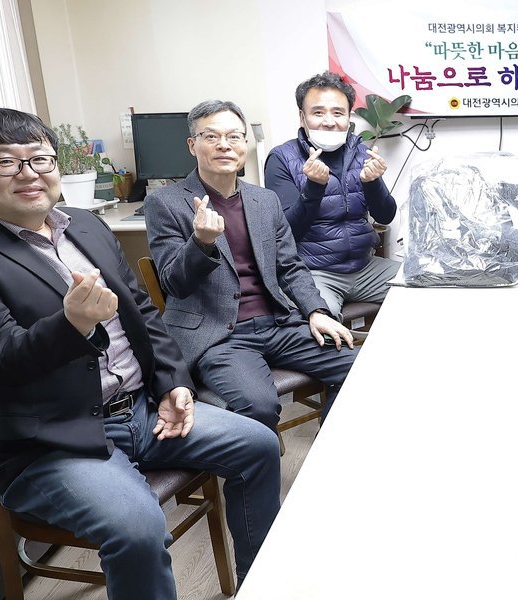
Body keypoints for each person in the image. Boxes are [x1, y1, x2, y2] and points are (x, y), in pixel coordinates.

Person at [0, 108, 281, 596]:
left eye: (40, 158)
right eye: (5, 162)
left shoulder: (84, 224)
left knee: (258, 444)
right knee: (137, 527)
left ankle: (260, 585)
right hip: (51, 442)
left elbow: (144, 313)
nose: (29, 173)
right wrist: (73, 324)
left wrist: (172, 385)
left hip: (142, 411)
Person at [144, 99, 358, 428]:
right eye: (211, 136)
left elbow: (290, 266)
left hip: (278, 324)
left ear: (245, 144)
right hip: (219, 335)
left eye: (234, 136)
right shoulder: (164, 203)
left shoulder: (264, 200)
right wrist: (201, 242)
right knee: (259, 405)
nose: (224, 145)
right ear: (192, 145)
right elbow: (174, 283)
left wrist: (316, 311)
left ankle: (329, 451)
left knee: (362, 369)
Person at [265, 71, 398, 322]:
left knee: (422, 287)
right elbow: (286, 231)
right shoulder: (282, 158)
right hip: (314, 272)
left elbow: (385, 216)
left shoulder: (361, 153)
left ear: (348, 117)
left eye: (338, 113)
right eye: (318, 113)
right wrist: (314, 188)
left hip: (365, 267)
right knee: (324, 323)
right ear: (302, 117)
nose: (329, 121)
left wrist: (372, 183)